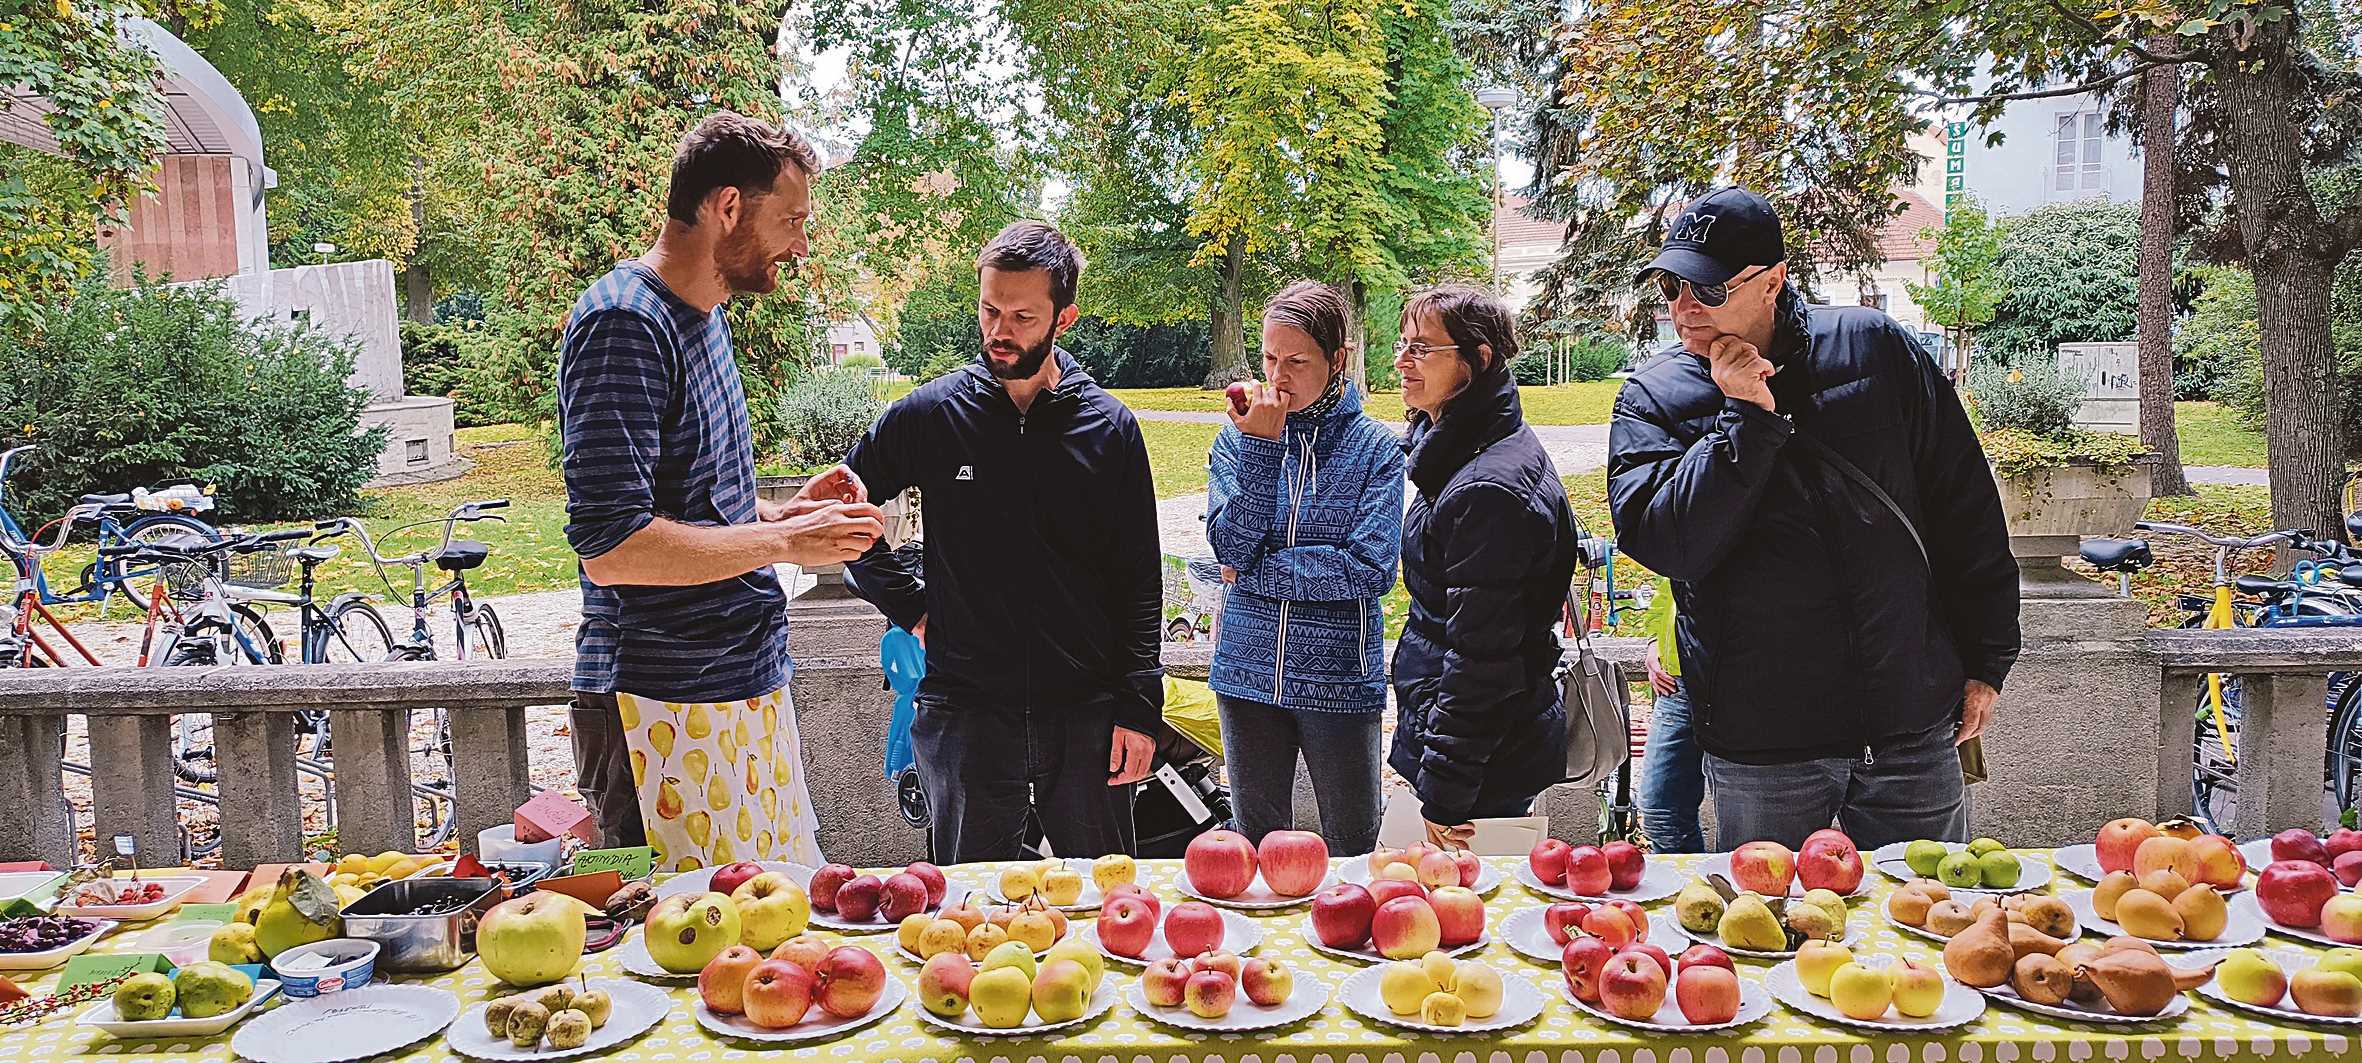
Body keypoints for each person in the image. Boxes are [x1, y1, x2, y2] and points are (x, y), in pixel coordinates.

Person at [1605, 186, 2020, 850]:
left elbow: (1964, 510)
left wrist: (1989, 658)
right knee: (1766, 939)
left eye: (1708, 290)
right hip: (1763, 742)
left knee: (1924, 931)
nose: (1683, 308)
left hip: (1907, 727)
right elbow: (1666, 540)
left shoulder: (1876, 349)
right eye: (1670, 285)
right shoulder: (1654, 397)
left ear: (1773, 281)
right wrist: (1743, 420)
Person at [557, 111, 888, 870]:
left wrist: (778, 511)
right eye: (792, 221)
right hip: (657, 702)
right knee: (682, 956)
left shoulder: (704, 316)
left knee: (770, 934)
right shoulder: (622, 323)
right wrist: (782, 542)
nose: (801, 246)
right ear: (728, 207)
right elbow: (612, 548)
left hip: (738, 683)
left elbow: (686, 504)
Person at [842, 220, 1164, 863]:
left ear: (1063, 317)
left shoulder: (1110, 429)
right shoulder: (930, 416)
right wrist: (910, 605)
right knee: (964, 920)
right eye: (990, 309)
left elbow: (1139, 580)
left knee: (1099, 913)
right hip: (964, 713)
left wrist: (1138, 707)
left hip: (1086, 715)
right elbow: (839, 507)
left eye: (1021, 315)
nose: (999, 331)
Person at [1204, 281, 1404, 855]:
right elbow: (1229, 547)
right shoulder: (1237, 438)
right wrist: (1263, 451)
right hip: (1246, 673)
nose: (1278, 376)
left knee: (1354, 847)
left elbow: (1368, 569)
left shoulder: (1376, 449)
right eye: (1269, 358)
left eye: (1296, 361)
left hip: (1338, 679)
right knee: (1256, 852)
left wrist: (1257, 576)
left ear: (1336, 360)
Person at [1389, 284, 1581, 850]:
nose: (1401, 360)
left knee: (1470, 917)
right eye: (1403, 343)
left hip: (1484, 758)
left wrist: (1445, 789)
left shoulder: (1487, 488)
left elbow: (1481, 660)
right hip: (1477, 741)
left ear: (1479, 359)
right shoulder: (1464, 447)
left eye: (1422, 348)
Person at [1637, 573, 1705, 853]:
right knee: (1660, 811)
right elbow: (1667, 592)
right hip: (1675, 686)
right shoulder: (1686, 538)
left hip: (1731, 687)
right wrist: (1656, 642)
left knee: (1745, 831)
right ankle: (1691, 893)